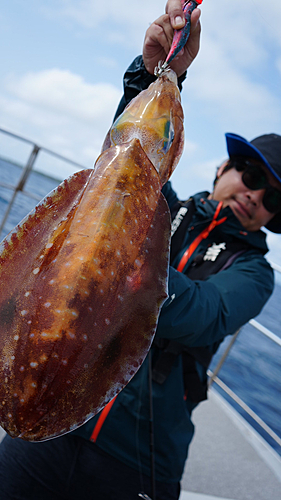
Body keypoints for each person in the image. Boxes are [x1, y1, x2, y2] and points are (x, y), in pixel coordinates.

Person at [1, 2, 281, 500]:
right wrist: (157, 73)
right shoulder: (161, 203)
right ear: (223, 168)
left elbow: (205, 315)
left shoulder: (255, 272)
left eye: (274, 198)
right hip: (53, 433)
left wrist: (114, 267)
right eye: (252, 175)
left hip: (139, 457)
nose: (255, 194)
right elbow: (128, 159)